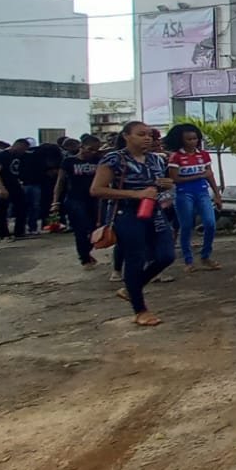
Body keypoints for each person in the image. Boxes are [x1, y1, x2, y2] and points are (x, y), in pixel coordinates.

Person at [90, 121, 175, 326]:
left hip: (153, 210)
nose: (147, 138)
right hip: (127, 212)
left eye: (149, 135)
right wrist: (135, 193)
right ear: (127, 136)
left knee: (166, 255)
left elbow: (157, 186)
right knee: (134, 258)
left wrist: (164, 185)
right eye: (141, 134)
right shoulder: (114, 159)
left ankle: (131, 288)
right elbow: (97, 190)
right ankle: (140, 310)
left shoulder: (156, 159)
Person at [164, 123, 224, 272]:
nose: (193, 142)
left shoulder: (203, 154)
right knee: (186, 227)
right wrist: (199, 175)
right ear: (181, 140)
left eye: (195, 138)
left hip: (202, 192)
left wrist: (217, 194)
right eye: (189, 139)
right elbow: (175, 179)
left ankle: (205, 256)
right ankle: (188, 260)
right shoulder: (176, 156)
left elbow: (210, 175)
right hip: (184, 194)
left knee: (210, 223)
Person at [52, 135, 104, 267]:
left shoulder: (98, 160)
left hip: (94, 199)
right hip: (75, 199)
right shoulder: (69, 161)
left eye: (95, 150)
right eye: (90, 149)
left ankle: (87, 251)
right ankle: (84, 258)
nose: (92, 152)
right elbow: (60, 182)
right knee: (80, 229)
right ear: (81, 146)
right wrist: (55, 202)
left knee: (95, 228)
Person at [0, 139, 33, 239]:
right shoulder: (2, 155)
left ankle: (19, 231)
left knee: (22, 207)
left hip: (15, 184)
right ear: (16, 146)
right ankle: (3, 233)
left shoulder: (19, 157)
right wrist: (1, 187)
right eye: (22, 149)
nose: (23, 152)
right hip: (4, 185)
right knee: (2, 210)